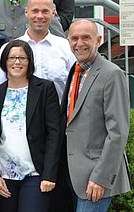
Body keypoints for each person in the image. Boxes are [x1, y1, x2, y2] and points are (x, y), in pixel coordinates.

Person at [55, 19, 131, 212]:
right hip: (72, 175)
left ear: (98, 40)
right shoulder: (75, 70)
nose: (79, 43)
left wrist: (101, 178)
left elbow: (118, 133)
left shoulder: (112, 74)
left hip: (95, 178)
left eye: (86, 38)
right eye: (74, 38)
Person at [0, 39, 62, 212]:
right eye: (12, 58)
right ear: (4, 62)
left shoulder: (45, 89)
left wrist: (49, 174)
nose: (17, 62)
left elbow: (54, 133)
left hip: (36, 174)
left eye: (22, 58)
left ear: (30, 62)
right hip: (4, 176)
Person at [0, 0, 75, 100]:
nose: (39, 16)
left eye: (45, 11)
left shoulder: (66, 48)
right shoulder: (9, 49)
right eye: (35, 11)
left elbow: (75, 87)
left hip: (58, 114)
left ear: (53, 13)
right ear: (26, 12)